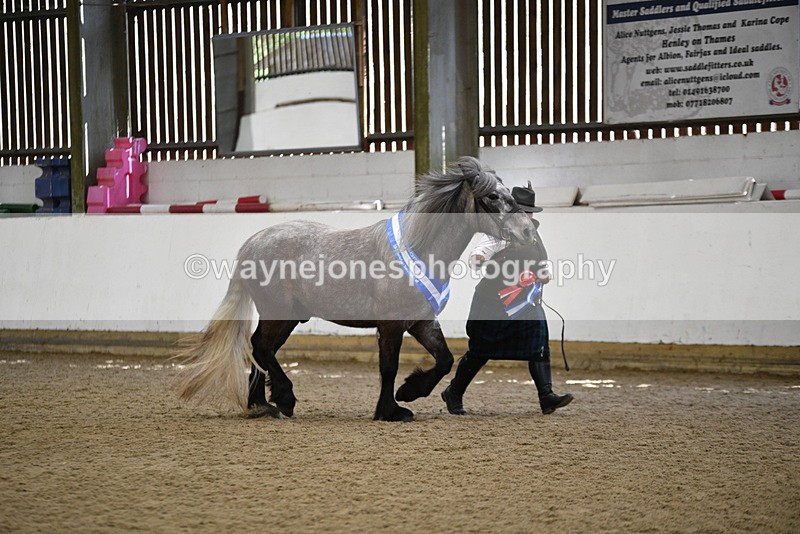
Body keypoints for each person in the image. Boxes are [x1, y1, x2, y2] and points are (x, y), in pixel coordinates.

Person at [441, 184, 574, 415]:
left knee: (539, 344)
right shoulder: (495, 233)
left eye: (530, 211)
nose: (528, 216)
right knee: (480, 351)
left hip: (525, 302)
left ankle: (546, 396)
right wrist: (481, 258)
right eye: (523, 211)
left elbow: (542, 261)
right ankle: (454, 391)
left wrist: (544, 274)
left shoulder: (534, 234)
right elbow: (475, 258)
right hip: (492, 302)